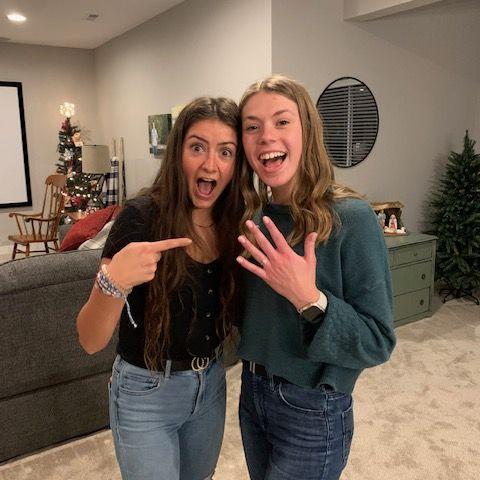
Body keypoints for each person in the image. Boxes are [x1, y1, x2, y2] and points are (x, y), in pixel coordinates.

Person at [235, 75, 396, 480]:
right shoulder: (252, 219)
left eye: (282, 121)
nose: (266, 136)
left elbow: (378, 341)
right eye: (252, 126)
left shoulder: (353, 218)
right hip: (251, 393)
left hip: (313, 407)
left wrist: (309, 299)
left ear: (307, 130)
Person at [76, 96, 245, 480]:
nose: (210, 164)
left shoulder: (234, 222)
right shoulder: (140, 218)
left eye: (225, 152)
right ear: (178, 152)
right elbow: (89, 339)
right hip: (145, 392)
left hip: (211, 384)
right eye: (197, 147)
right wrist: (113, 282)